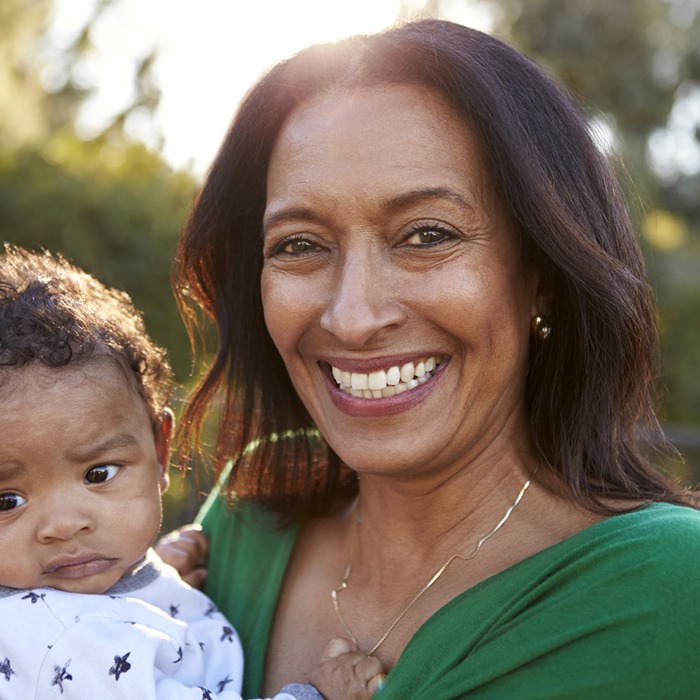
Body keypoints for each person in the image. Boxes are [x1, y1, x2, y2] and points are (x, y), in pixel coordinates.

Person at [165, 18, 700, 699]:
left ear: (539, 269)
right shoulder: (243, 525)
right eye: (300, 244)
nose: (353, 317)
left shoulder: (673, 592)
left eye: (426, 235)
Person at [0, 246, 382, 699]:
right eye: (8, 501)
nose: (65, 526)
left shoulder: (88, 594)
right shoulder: (56, 638)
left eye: (99, 474)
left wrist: (153, 578)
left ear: (160, 451)